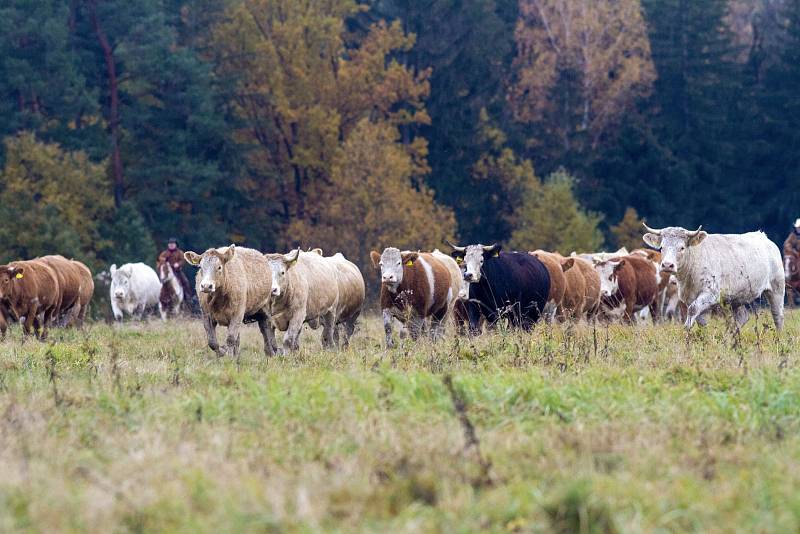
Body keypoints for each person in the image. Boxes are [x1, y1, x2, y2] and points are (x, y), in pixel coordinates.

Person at [157, 238, 196, 311]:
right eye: (170, 244)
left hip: (177, 271)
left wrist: (178, 264)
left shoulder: (180, 253)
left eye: (173, 244)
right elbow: (160, 259)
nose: (171, 245)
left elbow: (183, 260)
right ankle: (159, 297)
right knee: (161, 281)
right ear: (168, 245)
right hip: (167, 272)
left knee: (185, 281)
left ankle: (188, 297)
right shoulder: (164, 253)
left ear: (175, 245)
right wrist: (163, 260)